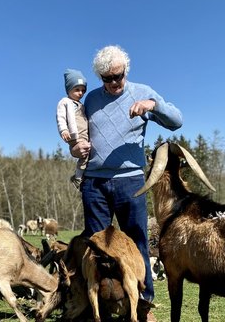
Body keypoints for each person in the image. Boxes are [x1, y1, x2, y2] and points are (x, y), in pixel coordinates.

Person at [72, 45, 182, 321]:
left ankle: (144, 305)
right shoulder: (91, 101)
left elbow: (176, 121)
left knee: (137, 243)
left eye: (118, 76)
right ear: (100, 78)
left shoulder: (142, 92)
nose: (114, 83)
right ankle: (100, 306)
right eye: (107, 79)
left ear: (125, 72)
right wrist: (76, 149)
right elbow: (79, 138)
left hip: (130, 181)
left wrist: (153, 106)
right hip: (94, 183)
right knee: (95, 248)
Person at [56, 68, 89, 190]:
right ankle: (78, 177)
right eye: (77, 89)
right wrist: (63, 130)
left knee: (86, 155)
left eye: (83, 90)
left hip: (84, 135)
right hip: (74, 135)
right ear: (69, 89)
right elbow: (61, 117)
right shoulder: (65, 102)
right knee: (85, 154)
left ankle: (80, 176)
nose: (80, 93)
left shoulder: (81, 104)